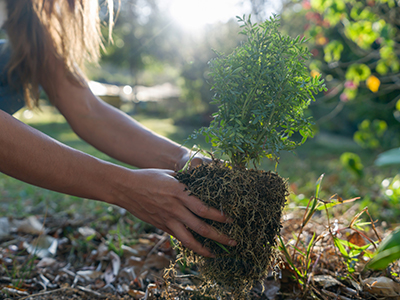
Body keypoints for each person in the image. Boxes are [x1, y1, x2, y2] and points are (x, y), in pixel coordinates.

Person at [0, 0, 236, 257]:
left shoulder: (31, 12)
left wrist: (181, 158)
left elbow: (87, 110)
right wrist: (125, 187)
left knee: (20, 58)